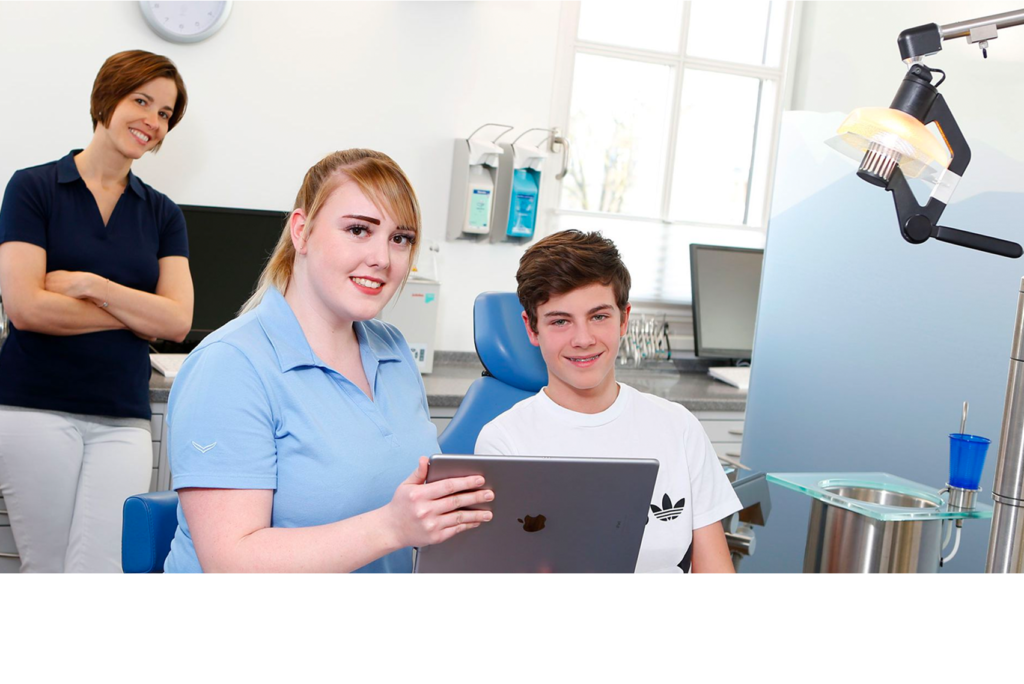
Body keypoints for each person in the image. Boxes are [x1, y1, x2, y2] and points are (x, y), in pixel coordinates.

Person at [163, 149, 492, 574]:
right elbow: (230, 560)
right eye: (359, 230)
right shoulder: (230, 366)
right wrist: (392, 527)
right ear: (301, 232)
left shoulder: (392, 349)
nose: (383, 259)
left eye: (400, 238)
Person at [0, 50, 195, 573]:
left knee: (106, 565)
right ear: (107, 97)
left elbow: (177, 321)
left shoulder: (161, 213)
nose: (152, 121)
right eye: (142, 101)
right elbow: (25, 307)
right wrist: (137, 317)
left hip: (122, 417)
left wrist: (93, 286)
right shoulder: (33, 188)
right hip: (34, 408)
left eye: (165, 114)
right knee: (47, 564)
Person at [475, 230, 742, 574]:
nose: (583, 339)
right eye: (560, 321)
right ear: (532, 329)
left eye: (598, 316)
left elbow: (714, 567)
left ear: (624, 319)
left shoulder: (678, 426)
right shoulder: (504, 443)